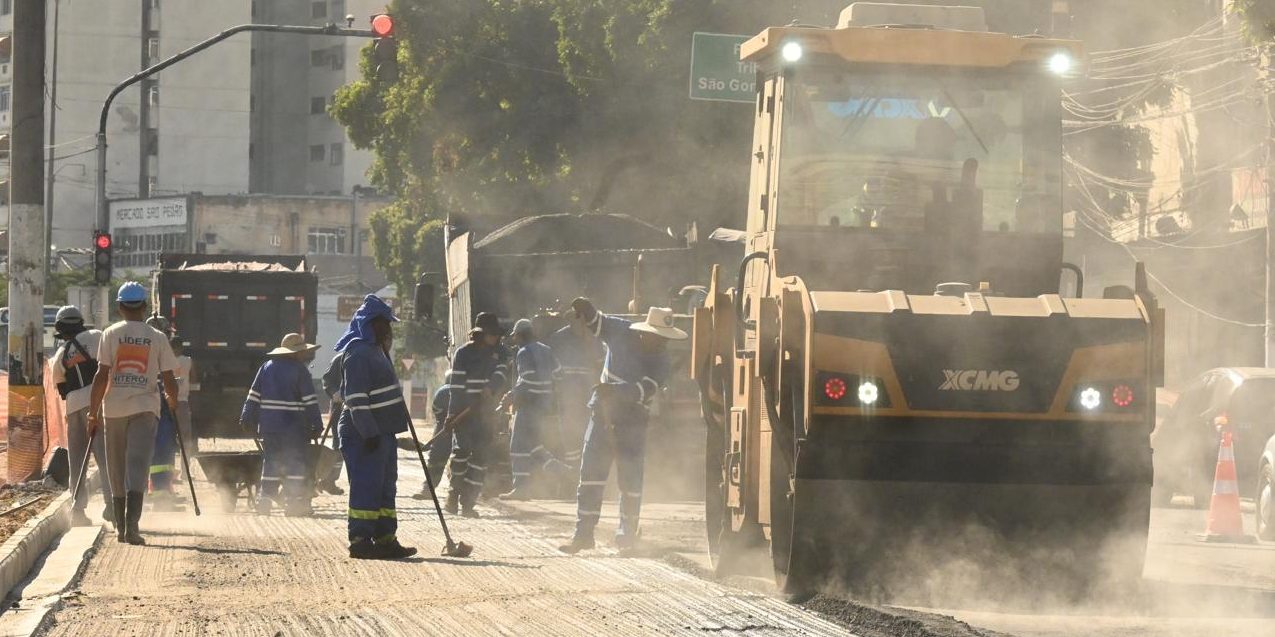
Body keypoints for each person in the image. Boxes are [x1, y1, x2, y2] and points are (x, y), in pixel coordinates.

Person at [559, 300, 685, 554]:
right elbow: (597, 323)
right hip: (601, 416)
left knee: (630, 482)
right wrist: (587, 308)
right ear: (645, 331)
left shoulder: (662, 362)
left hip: (633, 422)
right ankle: (583, 535)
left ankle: (626, 537)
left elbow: (644, 391)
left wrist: (614, 391)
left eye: (665, 339)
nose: (661, 343)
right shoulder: (620, 330)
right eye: (658, 337)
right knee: (591, 477)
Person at [87, 282, 181, 546]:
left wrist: (92, 414)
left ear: (119, 307)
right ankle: (132, 527)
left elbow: (101, 375)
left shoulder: (110, 333)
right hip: (145, 408)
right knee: (139, 465)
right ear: (144, 307)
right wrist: (172, 402)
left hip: (114, 408)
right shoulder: (157, 337)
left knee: (116, 466)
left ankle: (119, 527)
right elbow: (169, 379)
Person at [334, 295, 416, 560]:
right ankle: (360, 541)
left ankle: (385, 539)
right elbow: (356, 399)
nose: (389, 329)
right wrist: (369, 433)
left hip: (382, 432)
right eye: (384, 323)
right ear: (371, 323)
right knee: (366, 486)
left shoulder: (377, 351)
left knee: (384, 487)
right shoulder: (358, 353)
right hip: (363, 433)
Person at [240, 333, 324, 516]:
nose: (304, 354)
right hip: (293, 428)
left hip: (269, 427)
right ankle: (293, 504)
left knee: (271, 462)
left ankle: (265, 502)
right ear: (294, 353)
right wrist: (317, 424)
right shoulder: (300, 371)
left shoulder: (266, 367)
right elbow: (310, 401)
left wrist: (246, 417)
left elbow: (253, 396)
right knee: (295, 463)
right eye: (302, 351)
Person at [49, 305, 112, 527]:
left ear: (60, 330)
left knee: (77, 461)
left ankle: (78, 511)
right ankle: (112, 505)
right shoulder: (97, 336)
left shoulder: (61, 353)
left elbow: (61, 387)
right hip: (100, 403)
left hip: (75, 407)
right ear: (81, 322)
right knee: (105, 457)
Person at [441, 313, 507, 518]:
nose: (495, 338)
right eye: (491, 334)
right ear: (480, 334)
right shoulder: (463, 354)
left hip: (487, 414)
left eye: (496, 335)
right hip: (464, 413)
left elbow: (502, 373)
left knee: (480, 458)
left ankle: (468, 503)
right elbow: (457, 387)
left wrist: (491, 387)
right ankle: (453, 497)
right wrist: (453, 414)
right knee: (461, 454)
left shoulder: (500, 353)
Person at [499, 319, 571, 500]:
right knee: (534, 446)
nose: (514, 340)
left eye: (515, 336)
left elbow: (526, 381)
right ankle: (563, 471)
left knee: (517, 446)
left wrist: (511, 396)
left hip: (528, 405)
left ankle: (521, 490)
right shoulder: (546, 350)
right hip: (544, 407)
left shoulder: (524, 352)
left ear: (521, 335)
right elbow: (560, 374)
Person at [547, 319, 605, 472]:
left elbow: (602, 365)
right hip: (567, 396)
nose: (583, 327)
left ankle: (586, 469)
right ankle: (574, 472)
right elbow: (549, 366)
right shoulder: (558, 339)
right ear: (572, 321)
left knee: (588, 434)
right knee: (570, 434)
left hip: (588, 397)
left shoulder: (593, 339)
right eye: (579, 323)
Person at [172, 336, 197, 455]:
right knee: (185, 438)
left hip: (168, 403)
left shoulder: (165, 361)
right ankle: (185, 469)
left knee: (168, 435)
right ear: (181, 348)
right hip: (182, 402)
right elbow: (193, 379)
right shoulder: (188, 360)